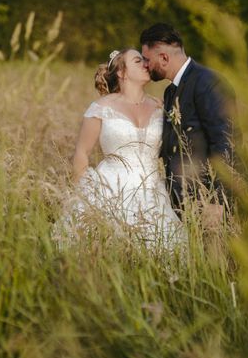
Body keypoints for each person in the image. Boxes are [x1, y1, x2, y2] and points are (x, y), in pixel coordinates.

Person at [59, 48, 184, 248]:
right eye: (138, 60)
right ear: (122, 72)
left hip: (151, 191)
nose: (146, 63)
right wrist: (79, 195)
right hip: (109, 189)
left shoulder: (161, 107)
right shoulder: (101, 107)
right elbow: (82, 153)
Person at [140, 23, 236, 218]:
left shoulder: (208, 82)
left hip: (206, 201)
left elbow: (226, 142)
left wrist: (218, 200)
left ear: (164, 58)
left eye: (147, 59)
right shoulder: (170, 91)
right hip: (181, 200)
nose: (145, 65)